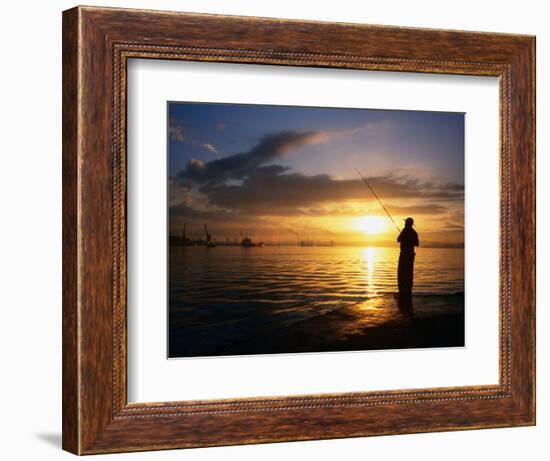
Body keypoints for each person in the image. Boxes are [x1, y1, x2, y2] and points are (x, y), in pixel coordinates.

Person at [397, 217, 419, 300]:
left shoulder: (404, 231)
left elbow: (398, 240)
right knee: (409, 273)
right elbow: (417, 244)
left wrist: (404, 238)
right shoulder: (414, 233)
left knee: (401, 273)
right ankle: (408, 291)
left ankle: (402, 291)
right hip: (410, 256)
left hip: (404, 255)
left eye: (405, 222)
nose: (404, 224)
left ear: (407, 223)